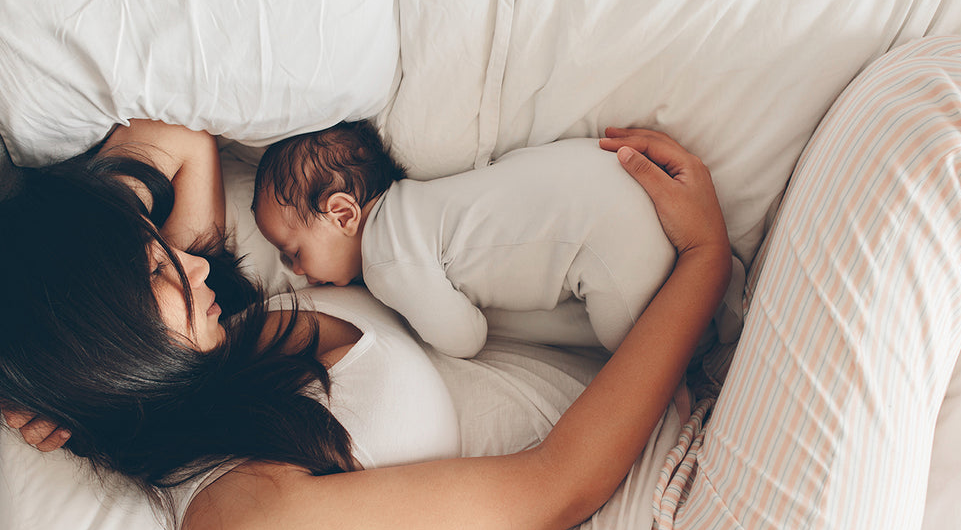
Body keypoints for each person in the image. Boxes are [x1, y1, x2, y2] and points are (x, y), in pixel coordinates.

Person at [5, 35, 961, 530]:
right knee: (935, 125)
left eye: (158, 254)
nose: (186, 267)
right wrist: (702, 259)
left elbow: (171, 139)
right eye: (154, 282)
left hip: (704, 434)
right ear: (98, 369)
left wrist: (87, 252)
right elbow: (558, 484)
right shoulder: (232, 525)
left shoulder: (216, 318)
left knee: (937, 120)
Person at [251, 120, 739, 357]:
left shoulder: (385, 260)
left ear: (341, 214)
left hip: (605, 230)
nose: (294, 270)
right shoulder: (419, 201)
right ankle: (730, 286)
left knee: (641, 356)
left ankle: (705, 351)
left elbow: (465, 338)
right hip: (606, 174)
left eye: (293, 252)